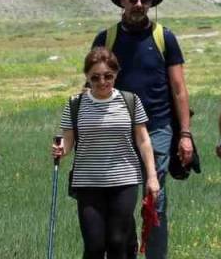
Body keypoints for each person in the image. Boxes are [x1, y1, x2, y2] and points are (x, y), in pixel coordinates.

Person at [91, 0, 193, 258]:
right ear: (122, 1)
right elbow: (93, 83)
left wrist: (184, 135)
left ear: (151, 3)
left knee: (154, 198)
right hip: (116, 131)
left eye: (144, 0)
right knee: (121, 202)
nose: (138, 4)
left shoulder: (164, 38)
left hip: (158, 128)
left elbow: (178, 88)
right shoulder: (106, 38)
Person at [53, 49, 161, 259]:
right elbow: (68, 140)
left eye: (108, 76)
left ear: (116, 75)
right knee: (94, 246)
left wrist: (152, 176)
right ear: (87, 76)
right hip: (87, 183)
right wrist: (61, 150)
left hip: (124, 180)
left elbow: (143, 139)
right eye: (95, 77)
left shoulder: (130, 100)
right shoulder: (75, 104)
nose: (102, 81)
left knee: (117, 242)